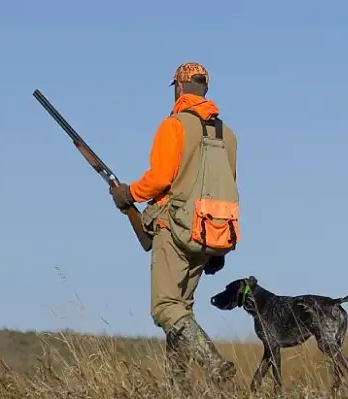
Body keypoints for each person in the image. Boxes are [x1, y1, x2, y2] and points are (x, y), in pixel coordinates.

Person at [109, 62, 240, 388]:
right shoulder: (228, 134)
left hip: (175, 229)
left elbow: (159, 179)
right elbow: (229, 184)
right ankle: (177, 387)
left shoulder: (174, 125)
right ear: (205, 89)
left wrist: (129, 194)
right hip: (210, 234)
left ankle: (214, 364)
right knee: (181, 310)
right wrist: (217, 250)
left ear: (179, 88)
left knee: (165, 308)